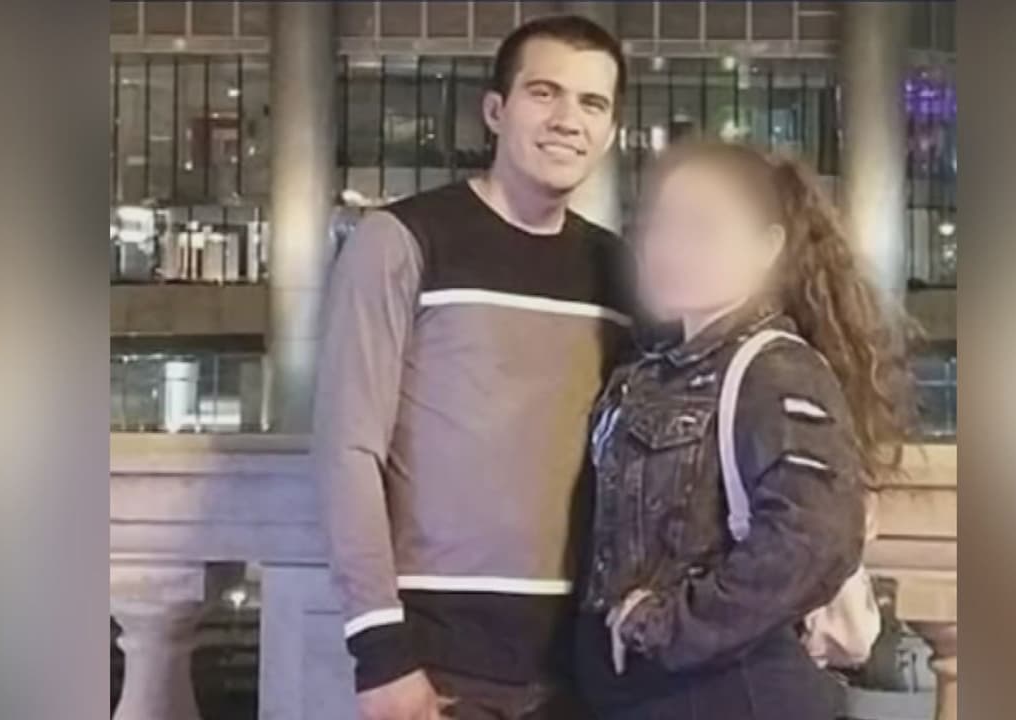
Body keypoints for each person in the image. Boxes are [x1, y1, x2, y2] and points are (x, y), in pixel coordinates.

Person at [312, 15, 632, 720]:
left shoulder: (619, 270)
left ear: (610, 133)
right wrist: (380, 649)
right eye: (544, 93)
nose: (567, 120)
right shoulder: (400, 240)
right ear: (495, 110)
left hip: (586, 661)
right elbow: (348, 451)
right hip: (439, 659)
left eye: (592, 103)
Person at [575, 141, 915, 719]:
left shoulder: (774, 368)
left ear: (767, 248)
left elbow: (813, 539)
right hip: (647, 696)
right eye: (663, 226)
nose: (675, 247)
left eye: (704, 229)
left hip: (735, 691)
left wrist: (668, 626)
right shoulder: (647, 373)